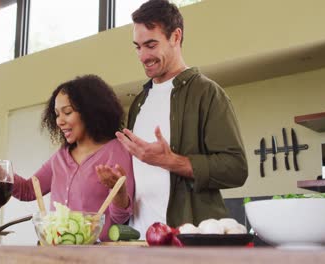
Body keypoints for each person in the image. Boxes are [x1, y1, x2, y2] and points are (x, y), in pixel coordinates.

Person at [99, 0, 248, 235]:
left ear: (175, 37)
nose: (142, 56)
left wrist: (170, 161)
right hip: (140, 240)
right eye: (137, 47)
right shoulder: (139, 102)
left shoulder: (207, 93)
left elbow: (236, 169)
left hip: (188, 242)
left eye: (151, 45)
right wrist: (119, 188)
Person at [12, 75, 135, 241]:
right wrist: (3, 175)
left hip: (98, 254)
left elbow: (120, 218)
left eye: (67, 112)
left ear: (90, 112)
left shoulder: (117, 150)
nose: (59, 121)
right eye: (56, 114)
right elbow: (28, 190)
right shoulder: (61, 156)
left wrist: (120, 193)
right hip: (56, 249)